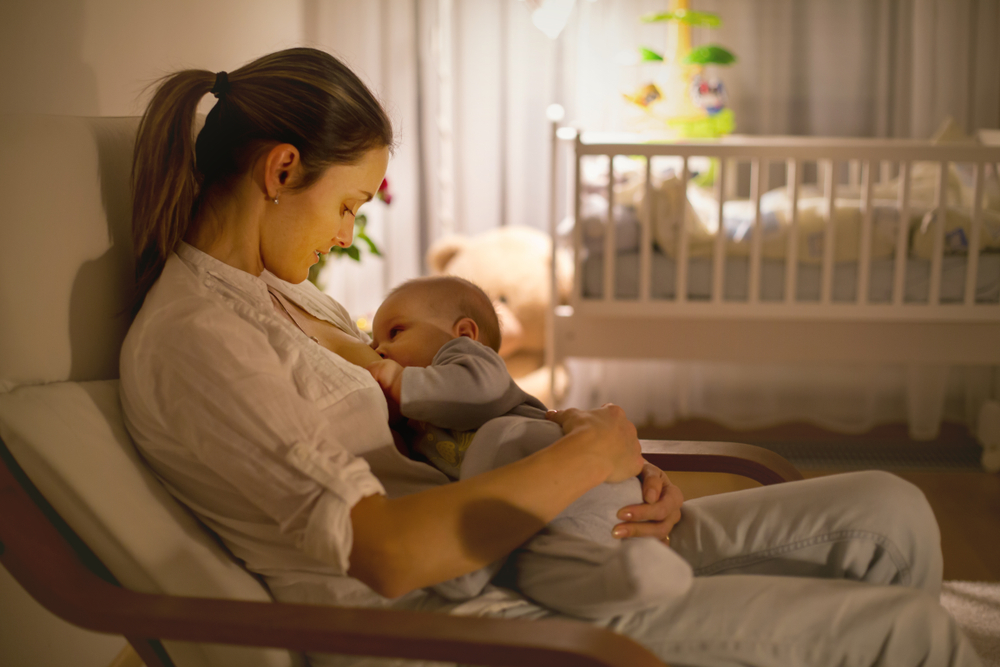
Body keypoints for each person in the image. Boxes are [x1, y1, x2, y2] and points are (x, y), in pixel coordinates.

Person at [118, 46, 983, 667]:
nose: (348, 236)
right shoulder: (199, 340)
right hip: (476, 609)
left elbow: (436, 420)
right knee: (915, 634)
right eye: (347, 205)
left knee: (889, 510)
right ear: (280, 171)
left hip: (533, 535)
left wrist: (576, 439)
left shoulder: (288, 293)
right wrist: (578, 462)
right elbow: (383, 554)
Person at [365, 275, 693, 618]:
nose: (379, 350)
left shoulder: (467, 359)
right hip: (562, 511)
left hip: (567, 467)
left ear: (464, 333)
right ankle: (634, 577)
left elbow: (478, 390)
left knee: (496, 437)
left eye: (395, 332)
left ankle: (465, 566)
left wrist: (404, 383)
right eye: (373, 343)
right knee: (529, 565)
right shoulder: (420, 419)